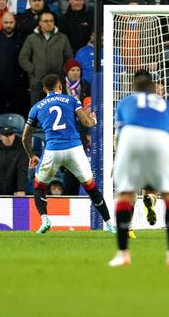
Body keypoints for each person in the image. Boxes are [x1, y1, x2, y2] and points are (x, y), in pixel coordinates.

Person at [108, 70, 169, 267]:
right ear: (152, 86)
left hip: (131, 136)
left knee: (125, 194)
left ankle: (123, 255)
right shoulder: (167, 106)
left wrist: (118, 161)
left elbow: (120, 135)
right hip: (161, 139)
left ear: (134, 86)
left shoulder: (125, 103)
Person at [22, 74, 115, 234]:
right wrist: (93, 119)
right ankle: (110, 224)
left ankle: (45, 220)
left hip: (53, 150)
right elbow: (86, 122)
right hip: (74, 149)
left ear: (44, 89)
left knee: (39, 186)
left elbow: (25, 137)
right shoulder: (72, 100)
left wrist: (31, 155)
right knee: (91, 187)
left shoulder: (36, 107)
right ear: (60, 86)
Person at [18, 11, 74, 104]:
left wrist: (63, 70)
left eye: (51, 21)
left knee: (58, 109)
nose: (49, 23)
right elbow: (23, 58)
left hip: (57, 81)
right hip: (38, 82)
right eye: (46, 21)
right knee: (38, 112)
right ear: (40, 22)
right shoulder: (31, 38)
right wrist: (33, 70)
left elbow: (69, 57)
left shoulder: (62, 38)